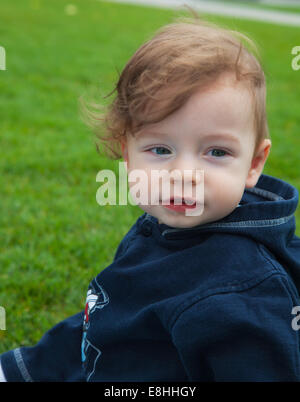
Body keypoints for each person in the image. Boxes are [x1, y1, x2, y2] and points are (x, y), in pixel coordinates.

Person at [1, 14, 300, 382]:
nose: (183, 175)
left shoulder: (248, 292)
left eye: (216, 153)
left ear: (254, 163)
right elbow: (107, 317)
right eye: (160, 149)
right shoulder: (161, 227)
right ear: (127, 156)